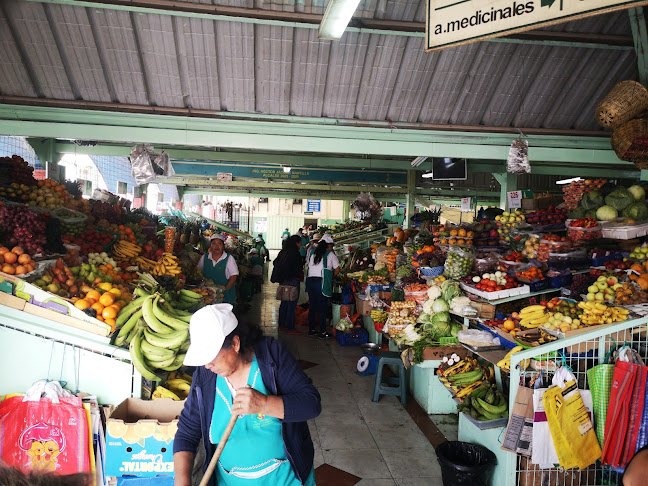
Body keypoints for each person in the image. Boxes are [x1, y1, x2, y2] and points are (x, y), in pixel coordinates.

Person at [173, 304, 321, 486]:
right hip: (229, 480)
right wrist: (182, 481)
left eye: (211, 356)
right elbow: (187, 433)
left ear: (235, 344)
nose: (207, 365)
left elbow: (311, 404)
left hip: (284, 479)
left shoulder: (271, 357)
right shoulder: (205, 377)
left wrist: (265, 404)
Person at [306, 234, 339, 339]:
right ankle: (323, 332)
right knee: (322, 308)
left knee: (312, 306)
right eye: (331, 246)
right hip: (321, 282)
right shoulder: (330, 255)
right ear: (328, 245)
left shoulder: (312, 253)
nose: (332, 248)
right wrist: (330, 277)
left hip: (310, 281)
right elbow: (337, 269)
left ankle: (311, 330)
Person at [271, 235, 304, 334]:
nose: (300, 245)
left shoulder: (283, 252)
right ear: (296, 243)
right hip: (293, 281)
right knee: (292, 304)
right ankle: (290, 327)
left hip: (283, 281)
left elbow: (275, 262)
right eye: (300, 243)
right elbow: (297, 268)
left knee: (284, 302)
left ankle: (281, 325)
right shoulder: (295, 253)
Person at [198, 235, 239, 304]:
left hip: (225, 297)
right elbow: (198, 272)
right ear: (210, 246)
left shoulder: (229, 258)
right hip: (208, 297)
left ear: (223, 246)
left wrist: (226, 289)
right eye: (213, 244)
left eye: (219, 243)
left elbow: (234, 275)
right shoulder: (204, 258)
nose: (216, 246)